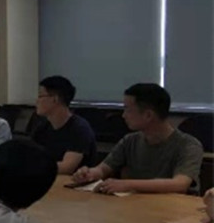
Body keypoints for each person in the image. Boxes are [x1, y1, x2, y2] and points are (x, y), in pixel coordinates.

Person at [72, 83, 203, 194]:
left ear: (148, 115)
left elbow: (180, 184)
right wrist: (89, 174)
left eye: (128, 110)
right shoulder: (129, 141)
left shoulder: (188, 145)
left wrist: (128, 184)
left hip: (172, 208)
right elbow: (103, 169)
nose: (123, 115)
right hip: (135, 206)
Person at [31, 76, 96, 174]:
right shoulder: (42, 127)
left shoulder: (79, 128)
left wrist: (34, 167)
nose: (37, 101)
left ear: (55, 99)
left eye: (40, 96)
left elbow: (67, 167)